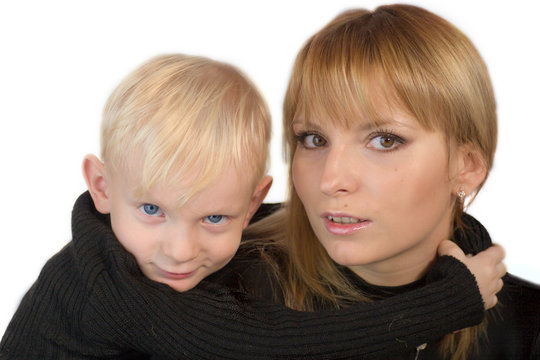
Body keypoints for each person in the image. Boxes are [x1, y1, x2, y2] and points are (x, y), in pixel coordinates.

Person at [0, 53, 504, 359]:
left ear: (250, 204)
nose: (179, 251)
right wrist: (452, 299)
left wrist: (464, 239)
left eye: (215, 217)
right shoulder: (107, 288)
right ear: (102, 187)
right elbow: (270, 345)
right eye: (153, 211)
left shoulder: (146, 240)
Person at [224, 4, 540, 360]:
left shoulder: (528, 329)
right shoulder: (210, 282)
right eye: (313, 139)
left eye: (385, 140)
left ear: (467, 167)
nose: (331, 180)